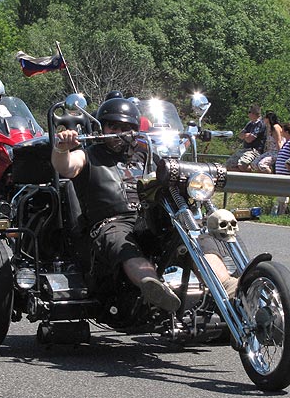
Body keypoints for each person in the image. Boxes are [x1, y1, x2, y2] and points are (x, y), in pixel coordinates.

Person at [51, 98, 237, 313]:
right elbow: (65, 167)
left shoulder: (147, 154)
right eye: (114, 126)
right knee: (121, 242)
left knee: (193, 233)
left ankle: (226, 284)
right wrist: (62, 147)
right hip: (111, 222)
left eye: (127, 127)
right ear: (102, 126)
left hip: (147, 218)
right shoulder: (88, 155)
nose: (120, 132)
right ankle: (153, 286)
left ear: (135, 130)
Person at [225, 104, 266, 172]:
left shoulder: (260, 124)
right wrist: (246, 135)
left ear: (254, 113)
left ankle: (251, 176)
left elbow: (250, 139)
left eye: (249, 112)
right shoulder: (250, 123)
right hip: (244, 149)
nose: (248, 114)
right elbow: (240, 135)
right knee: (227, 165)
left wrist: (246, 136)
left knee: (242, 165)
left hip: (254, 150)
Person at [274, 122, 290, 214]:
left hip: (286, 173)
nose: (281, 132)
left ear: (286, 131)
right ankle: (280, 213)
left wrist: (289, 165)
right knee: (281, 196)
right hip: (281, 174)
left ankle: (281, 214)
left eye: (282, 130)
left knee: (283, 196)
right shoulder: (286, 142)